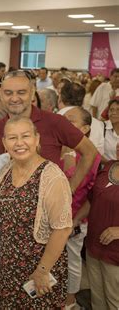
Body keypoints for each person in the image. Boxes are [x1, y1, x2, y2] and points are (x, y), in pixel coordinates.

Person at [0, 117, 72, 308]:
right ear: (5, 143)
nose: (19, 143)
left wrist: (42, 270)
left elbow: (62, 229)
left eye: (25, 136)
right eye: (12, 138)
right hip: (9, 267)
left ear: (37, 139)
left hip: (40, 270)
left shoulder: (51, 176)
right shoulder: (5, 171)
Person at [0, 70, 98, 194]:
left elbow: (90, 151)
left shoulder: (55, 122)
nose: (14, 98)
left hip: (48, 206)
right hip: (9, 208)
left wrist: (70, 189)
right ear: (2, 95)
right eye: (8, 93)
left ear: (32, 93)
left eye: (21, 92)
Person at [62, 106, 101, 309]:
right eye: (63, 120)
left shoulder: (92, 155)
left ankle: (70, 298)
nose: (64, 125)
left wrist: (75, 221)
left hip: (76, 219)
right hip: (51, 219)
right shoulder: (54, 146)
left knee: (71, 259)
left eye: (71, 121)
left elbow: (92, 196)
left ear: (85, 128)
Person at [85, 149, 119, 309]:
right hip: (94, 246)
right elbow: (92, 199)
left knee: (114, 300)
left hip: (115, 254)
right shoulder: (108, 166)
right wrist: (76, 220)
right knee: (97, 299)